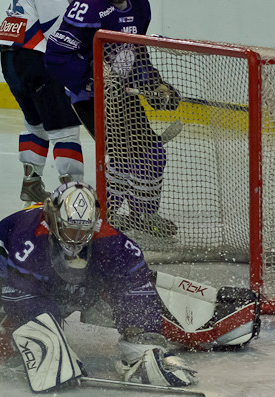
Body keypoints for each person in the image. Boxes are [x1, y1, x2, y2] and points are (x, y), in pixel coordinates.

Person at [0, 182, 197, 392]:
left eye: (84, 232)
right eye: (70, 231)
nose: (77, 239)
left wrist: (143, 333)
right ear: (53, 220)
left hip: (54, 274)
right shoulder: (27, 241)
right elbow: (20, 295)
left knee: (113, 284)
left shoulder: (110, 240)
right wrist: (49, 335)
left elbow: (135, 282)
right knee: (18, 331)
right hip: (2, 276)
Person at [44, 0, 179, 237]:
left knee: (144, 156)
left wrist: (154, 86)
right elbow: (56, 56)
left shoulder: (140, 6)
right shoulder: (89, 6)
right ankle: (112, 214)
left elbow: (136, 52)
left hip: (122, 94)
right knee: (135, 155)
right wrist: (91, 80)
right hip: (91, 99)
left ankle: (127, 214)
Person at [0, 0, 85, 204]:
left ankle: (31, 184)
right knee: (65, 130)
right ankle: (73, 197)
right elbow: (59, 33)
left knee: (36, 126)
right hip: (34, 58)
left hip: (10, 59)